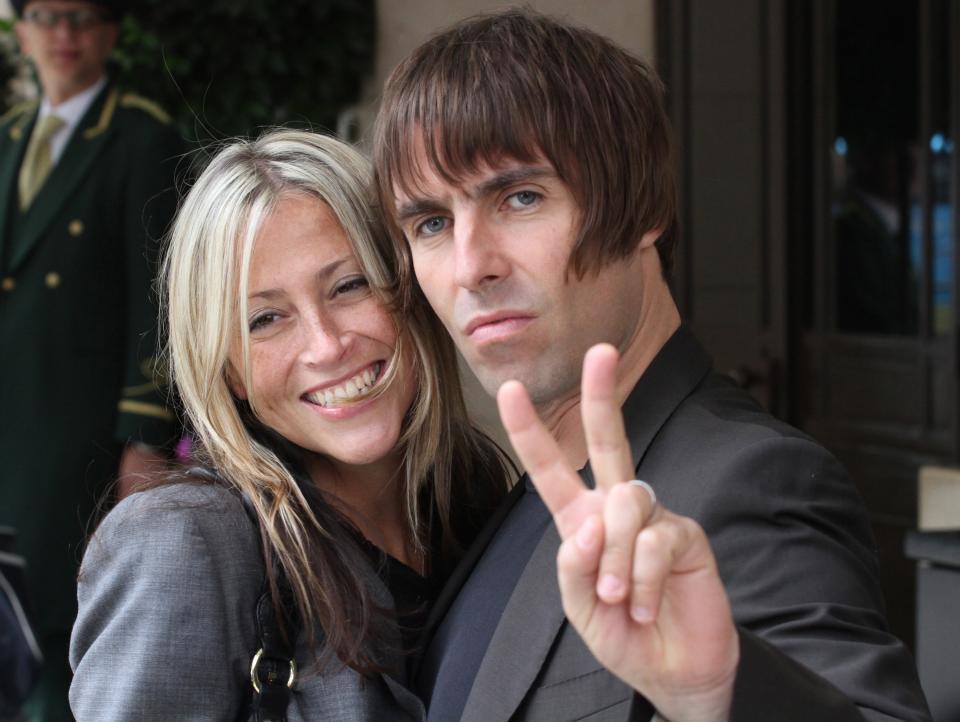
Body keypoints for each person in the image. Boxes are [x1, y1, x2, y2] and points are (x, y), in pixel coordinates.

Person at [371, 9, 932, 722]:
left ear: (642, 210)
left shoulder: (750, 483)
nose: (469, 266)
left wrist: (721, 689)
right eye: (431, 223)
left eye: (520, 198)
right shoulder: (523, 497)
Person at [68, 129, 510, 721]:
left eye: (349, 285)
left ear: (408, 288)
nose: (326, 346)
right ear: (227, 371)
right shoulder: (184, 543)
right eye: (266, 319)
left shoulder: (471, 491)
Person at [0, 1, 181, 718]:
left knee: (50, 623)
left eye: (83, 16)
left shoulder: (141, 140)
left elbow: (158, 306)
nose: (65, 35)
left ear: (111, 31)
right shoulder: (8, 135)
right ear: (20, 31)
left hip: (73, 435)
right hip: (8, 423)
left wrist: (144, 440)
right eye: (46, 14)